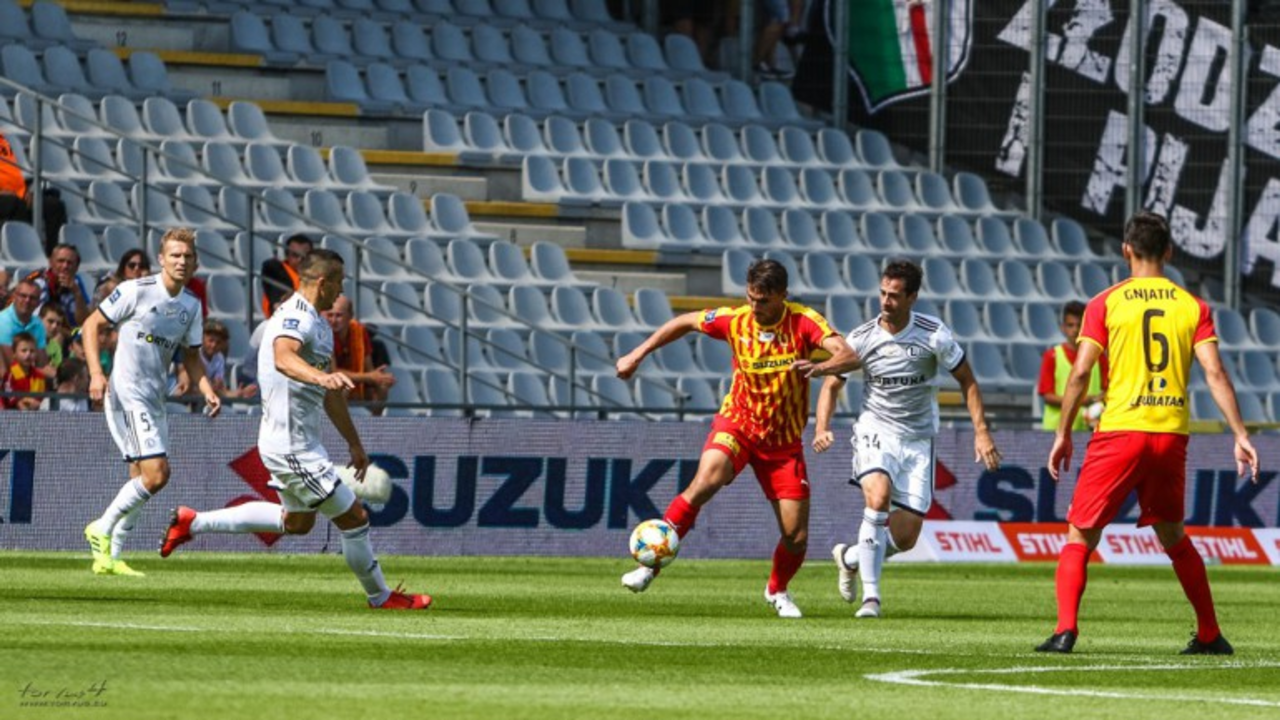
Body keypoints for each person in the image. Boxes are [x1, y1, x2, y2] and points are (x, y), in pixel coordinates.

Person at [1037, 212, 1260, 655]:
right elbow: (1215, 372)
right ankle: (1210, 634)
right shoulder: (1193, 306)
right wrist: (1240, 434)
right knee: (1174, 536)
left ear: (1126, 250)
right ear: (1169, 252)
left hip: (1121, 430)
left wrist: (1063, 433)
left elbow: (1080, 373)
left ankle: (1065, 630)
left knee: (1081, 534)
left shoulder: (1105, 303)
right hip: (1170, 434)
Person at [159, 249, 431, 611]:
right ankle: (380, 597)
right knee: (355, 518)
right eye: (339, 282)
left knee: (297, 523)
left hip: (301, 443)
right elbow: (283, 357)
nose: (341, 290)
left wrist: (354, 444)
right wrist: (321, 376)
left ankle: (192, 522)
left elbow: (331, 394)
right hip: (290, 447)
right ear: (323, 282)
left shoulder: (319, 325)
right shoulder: (295, 316)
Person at [616, 258, 855, 618]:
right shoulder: (735, 320)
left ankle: (777, 590)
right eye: (751, 298)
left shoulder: (804, 322)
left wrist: (820, 367)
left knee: (796, 536)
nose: (755, 307)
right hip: (738, 425)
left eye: (763, 301)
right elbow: (684, 321)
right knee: (705, 481)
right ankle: (650, 566)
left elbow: (849, 355)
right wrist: (637, 354)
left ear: (783, 295)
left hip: (783, 443)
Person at [807, 260, 1002, 619]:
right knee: (878, 497)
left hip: (917, 439)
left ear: (912, 297)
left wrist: (981, 431)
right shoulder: (862, 337)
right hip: (875, 430)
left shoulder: (933, 335)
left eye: (895, 295)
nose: (886, 301)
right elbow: (831, 384)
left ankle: (850, 556)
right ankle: (872, 598)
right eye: (883, 293)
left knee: (907, 536)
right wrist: (822, 427)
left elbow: (968, 380)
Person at [82, 228, 220, 577]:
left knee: (139, 477)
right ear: (161, 259)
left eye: (187, 256)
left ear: (195, 262)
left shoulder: (191, 305)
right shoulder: (136, 290)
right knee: (157, 475)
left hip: (155, 396)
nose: (181, 261)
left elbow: (191, 357)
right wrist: (96, 373)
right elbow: (91, 324)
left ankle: (110, 557)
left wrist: (207, 389)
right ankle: (102, 527)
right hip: (127, 392)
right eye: (175, 255)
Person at [1039, 301, 1107, 432]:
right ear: (1063, 328)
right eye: (1070, 325)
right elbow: (1048, 396)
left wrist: (1098, 402)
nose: (1075, 330)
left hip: (1089, 429)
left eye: (1079, 325)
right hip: (1055, 430)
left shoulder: (1100, 357)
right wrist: (1082, 401)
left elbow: (1108, 389)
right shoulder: (1052, 356)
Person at [323, 295, 395, 415]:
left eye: (339, 315)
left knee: (382, 386)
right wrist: (369, 377)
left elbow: (369, 368)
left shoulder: (359, 331)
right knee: (341, 386)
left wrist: (379, 377)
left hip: (356, 382)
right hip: (328, 384)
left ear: (350, 316)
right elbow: (333, 372)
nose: (333, 320)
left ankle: (373, 422)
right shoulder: (323, 334)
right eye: (330, 315)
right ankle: (340, 425)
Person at [0, 129, 67, 254]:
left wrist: (31, 190)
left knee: (55, 206)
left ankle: (54, 255)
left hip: (19, 192)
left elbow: (21, 173)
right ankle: (27, 252)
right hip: (6, 198)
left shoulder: (4, 143)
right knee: (15, 203)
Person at [26, 244, 90, 325]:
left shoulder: (76, 282)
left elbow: (84, 321)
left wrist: (77, 293)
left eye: (70, 263)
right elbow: (35, 320)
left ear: (76, 267)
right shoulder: (38, 283)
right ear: (51, 262)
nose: (65, 266)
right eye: (61, 261)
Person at [260, 233, 313, 318]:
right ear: (287, 255)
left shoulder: (315, 273)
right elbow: (280, 305)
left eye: (304, 256)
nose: (300, 260)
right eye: (295, 255)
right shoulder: (274, 269)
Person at [0, 278, 48, 369]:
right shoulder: (2, 321)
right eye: (23, 296)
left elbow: (42, 362)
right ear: (14, 296)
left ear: (38, 303)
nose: (27, 300)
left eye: (32, 298)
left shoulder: (38, 324)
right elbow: (11, 363)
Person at [2, 331, 46, 410]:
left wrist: (38, 403)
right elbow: (8, 395)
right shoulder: (10, 375)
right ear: (14, 354)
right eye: (24, 350)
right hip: (12, 414)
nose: (28, 354)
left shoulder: (40, 376)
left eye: (32, 351)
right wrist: (18, 403)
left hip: (34, 414)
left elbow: (41, 398)